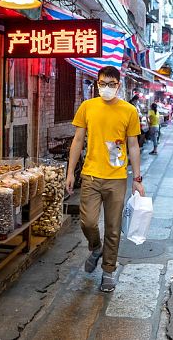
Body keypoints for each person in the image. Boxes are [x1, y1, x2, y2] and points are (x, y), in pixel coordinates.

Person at [65, 66, 145, 293]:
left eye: (111, 84)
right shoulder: (87, 107)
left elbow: (133, 146)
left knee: (113, 227)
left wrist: (137, 179)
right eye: (102, 83)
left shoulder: (129, 111)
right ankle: (95, 247)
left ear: (118, 85)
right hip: (90, 175)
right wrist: (70, 172)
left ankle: (108, 271)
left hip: (117, 178)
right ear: (97, 84)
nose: (106, 88)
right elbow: (78, 140)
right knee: (88, 222)